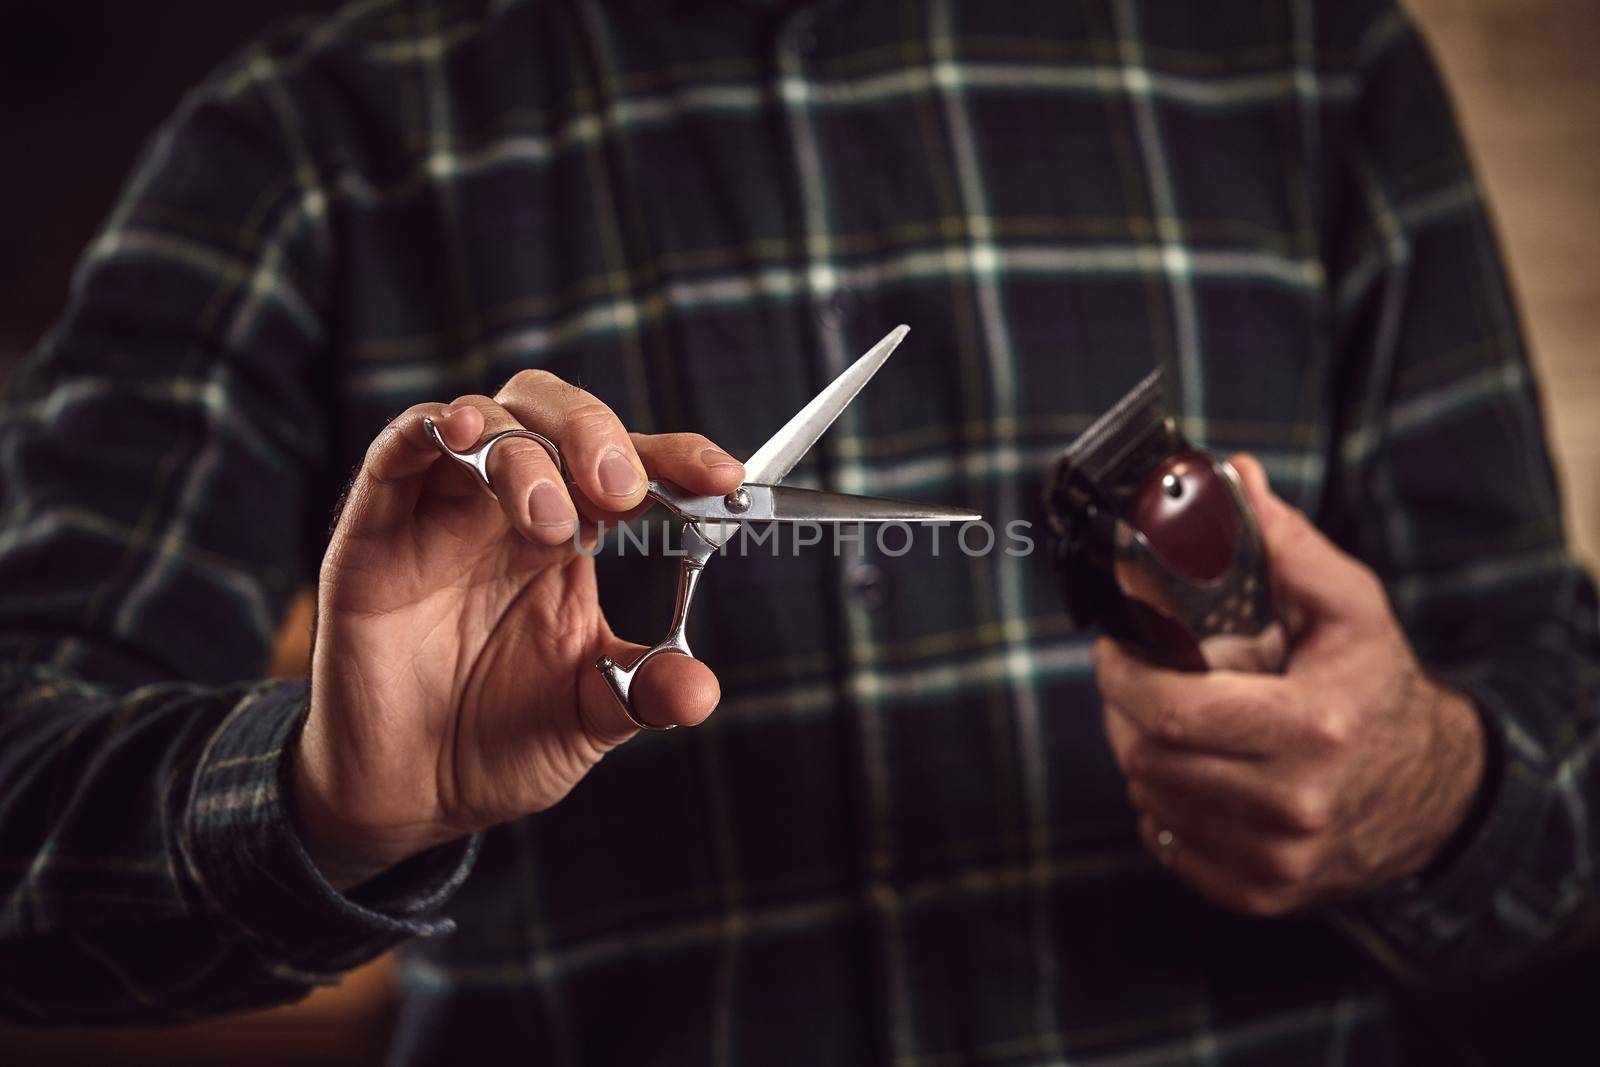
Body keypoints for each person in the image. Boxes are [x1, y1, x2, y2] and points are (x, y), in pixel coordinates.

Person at [1, 0, 1595, 1062]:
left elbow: (1560, 731)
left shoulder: (1305, 55)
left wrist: (1429, 781)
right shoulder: (307, 135)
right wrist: (324, 798)